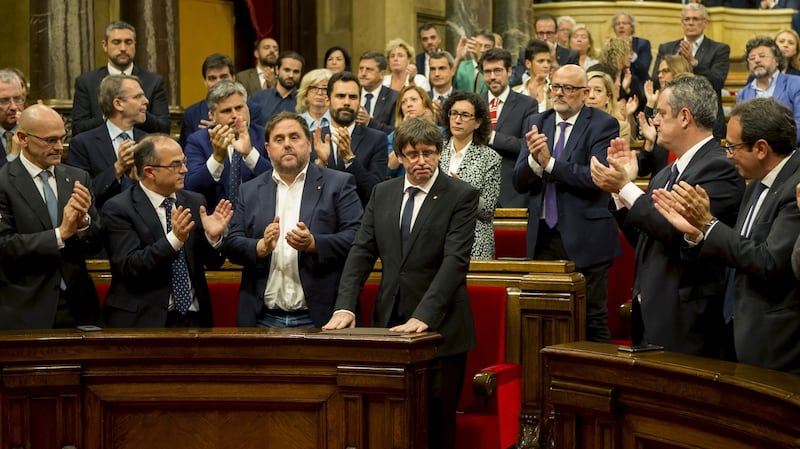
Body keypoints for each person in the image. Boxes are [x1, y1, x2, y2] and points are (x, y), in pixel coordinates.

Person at [323, 117, 479, 449]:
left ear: (440, 153)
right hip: (389, 327)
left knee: (436, 427)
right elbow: (361, 252)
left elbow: (455, 263)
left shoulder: (460, 195)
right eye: (412, 154)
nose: (421, 161)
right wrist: (345, 305)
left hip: (442, 330)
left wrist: (424, 316)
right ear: (400, 156)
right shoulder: (383, 193)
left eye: (428, 152)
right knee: (390, 422)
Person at [590, 75, 744, 358]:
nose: (654, 121)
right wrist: (619, 193)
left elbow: (676, 233)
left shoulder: (719, 169)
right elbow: (644, 237)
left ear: (684, 117)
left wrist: (625, 186)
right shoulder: (665, 173)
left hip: (688, 319)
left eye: (660, 113)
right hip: (650, 309)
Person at [653, 98, 800, 373]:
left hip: (777, 343)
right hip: (738, 328)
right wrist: (699, 234)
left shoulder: (796, 189)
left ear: (760, 149)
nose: (728, 155)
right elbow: (740, 245)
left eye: (732, 147)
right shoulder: (757, 181)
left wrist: (709, 225)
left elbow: (769, 262)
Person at [512, 64, 620, 343]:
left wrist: (549, 163)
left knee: (591, 317)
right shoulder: (537, 122)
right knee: (544, 316)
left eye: (568, 88)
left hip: (586, 237)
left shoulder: (602, 124)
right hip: (543, 236)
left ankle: (595, 381)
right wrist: (535, 164)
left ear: (585, 93)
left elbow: (594, 177)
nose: (559, 94)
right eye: (555, 87)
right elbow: (519, 181)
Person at [225, 112, 363, 328]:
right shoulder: (249, 190)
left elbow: (357, 237)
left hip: (320, 317)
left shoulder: (339, 184)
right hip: (262, 318)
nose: (287, 144)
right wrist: (260, 247)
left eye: (294, 137)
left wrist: (314, 244)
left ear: (309, 144)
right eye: (279, 139)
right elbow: (232, 242)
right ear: (268, 149)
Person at [101, 134, 231, 327]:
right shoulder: (118, 208)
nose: (185, 170)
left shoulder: (194, 202)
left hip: (194, 318)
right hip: (144, 321)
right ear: (149, 171)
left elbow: (212, 263)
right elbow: (130, 267)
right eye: (175, 165)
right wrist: (174, 240)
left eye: (184, 162)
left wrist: (214, 239)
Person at [0, 105, 100, 329]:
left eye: (62, 139)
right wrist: (60, 234)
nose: (59, 147)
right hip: (26, 309)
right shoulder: (4, 183)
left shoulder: (77, 177)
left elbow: (97, 242)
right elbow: (4, 245)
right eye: (50, 140)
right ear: (23, 138)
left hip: (79, 308)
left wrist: (84, 225)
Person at [72, 21, 169, 135]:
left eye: (128, 42)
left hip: (141, 148)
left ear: (135, 45)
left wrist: (135, 111)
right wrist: (110, 116)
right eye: (116, 42)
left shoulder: (154, 82)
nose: (123, 48)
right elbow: (78, 128)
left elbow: (164, 128)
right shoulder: (86, 82)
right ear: (105, 45)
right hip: (100, 148)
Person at [66, 75, 147, 210]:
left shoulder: (148, 141)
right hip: (103, 224)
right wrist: (118, 168)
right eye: (138, 97)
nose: (146, 101)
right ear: (118, 104)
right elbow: (81, 196)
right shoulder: (83, 144)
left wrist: (139, 180)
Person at [184, 80, 270, 208]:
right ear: (212, 116)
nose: (235, 115)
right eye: (226, 111)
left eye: (239, 108)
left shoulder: (264, 135)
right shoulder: (198, 141)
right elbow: (191, 187)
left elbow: (279, 178)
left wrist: (250, 154)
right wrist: (217, 158)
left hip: (257, 216)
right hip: (215, 219)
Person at [651, 3, 730, 139]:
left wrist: (693, 63)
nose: (691, 23)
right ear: (682, 23)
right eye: (687, 19)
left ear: (705, 23)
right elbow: (655, 79)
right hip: (672, 117)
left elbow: (717, 82)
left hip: (707, 120)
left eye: (695, 19)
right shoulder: (667, 48)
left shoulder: (719, 49)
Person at [440, 92, 501, 259]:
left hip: (474, 241)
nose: (457, 120)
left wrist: (463, 191)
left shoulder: (490, 158)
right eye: (453, 113)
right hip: (436, 236)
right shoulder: (436, 151)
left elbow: (488, 211)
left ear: (478, 122)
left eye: (465, 115)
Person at [315, 71, 388, 206]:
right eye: (341, 96)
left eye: (353, 97)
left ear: (360, 102)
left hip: (360, 220)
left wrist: (350, 159)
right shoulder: (311, 138)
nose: (347, 102)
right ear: (327, 100)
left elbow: (375, 192)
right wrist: (321, 164)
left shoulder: (377, 140)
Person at [481, 48, 538, 208]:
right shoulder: (473, 104)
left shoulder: (527, 104)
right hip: (476, 193)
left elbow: (527, 146)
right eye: (487, 72)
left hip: (513, 193)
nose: (492, 77)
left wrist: (491, 137)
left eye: (497, 71)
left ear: (509, 71)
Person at [637, 56, 694, 178]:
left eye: (665, 71)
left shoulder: (696, 115)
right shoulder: (658, 130)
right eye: (658, 72)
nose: (660, 75)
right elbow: (642, 170)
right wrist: (649, 143)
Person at [737, 36, 800, 141]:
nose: (757, 60)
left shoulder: (796, 84)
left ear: (777, 61)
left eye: (762, 56)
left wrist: (775, 146)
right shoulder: (743, 94)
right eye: (752, 58)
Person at [179, 53, 236, 148]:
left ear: (233, 78)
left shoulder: (251, 109)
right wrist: (207, 134)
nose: (218, 82)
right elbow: (186, 151)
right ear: (205, 82)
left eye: (223, 77)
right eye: (212, 78)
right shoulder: (191, 113)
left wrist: (221, 128)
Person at [386, 85, 437, 178]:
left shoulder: (441, 132)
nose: (408, 104)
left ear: (425, 104)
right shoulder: (393, 136)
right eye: (404, 102)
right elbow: (389, 168)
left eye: (413, 99)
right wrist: (402, 133)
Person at [249, 51, 305, 127]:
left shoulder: (304, 101)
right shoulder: (258, 98)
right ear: (277, 70)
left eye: (296, 72)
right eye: (287, 70)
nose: (291, 75)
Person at [355, 52, 398, 134]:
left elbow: (395, 131)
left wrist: (369, 122)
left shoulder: (393, 97)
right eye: (361, 69)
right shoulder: (351, 94)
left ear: (382, 74)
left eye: (369, 70)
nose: (363, 74)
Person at [586, 71, 631, 144]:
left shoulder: (622, 127)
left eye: (598, 90)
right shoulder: (572, 123)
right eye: (587, 91)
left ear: (608, 97)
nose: (591, 96)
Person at [612, 13, 652, 91]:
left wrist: (631, 53)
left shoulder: (643, 43)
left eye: (624, 23)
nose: (621, 26)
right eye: (618, 24)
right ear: (614, 28)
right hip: (617, 85)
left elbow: (643, 69)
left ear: (632, 27)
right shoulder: (611, 45)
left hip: (639, 87)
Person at [514, 40, 552, 113]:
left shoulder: (555, 91)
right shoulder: (516, 92)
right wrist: (531, 100)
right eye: (541, 61)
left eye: (548, 61)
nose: (546, 65)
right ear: (528, 63)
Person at [0, 69, 25, 167]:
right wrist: (14, 155)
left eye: (18, 99)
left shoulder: (37, 131)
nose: (14, 107)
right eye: (4, 100)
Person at [427, 51, 457, 121]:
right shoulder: (422, 99)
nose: (436, 74)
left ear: (452, 70)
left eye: (441, 68)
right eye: (433, 69)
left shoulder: (462, 99)